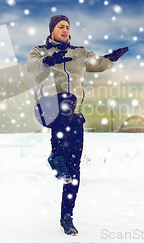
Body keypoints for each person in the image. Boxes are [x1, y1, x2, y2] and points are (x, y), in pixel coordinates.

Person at [26, 15, 128, 236]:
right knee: (67, 99)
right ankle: (55, 154)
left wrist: (111, 58)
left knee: (73, 168)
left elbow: (98, 63)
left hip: (73, 116)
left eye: (68, 27)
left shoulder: (79, 52)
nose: (65, 30)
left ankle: (67, 217)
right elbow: (31, 67)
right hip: (47, 107)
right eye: (60, 26)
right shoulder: (39, 50)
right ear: (52, 30)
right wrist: (49, 60)